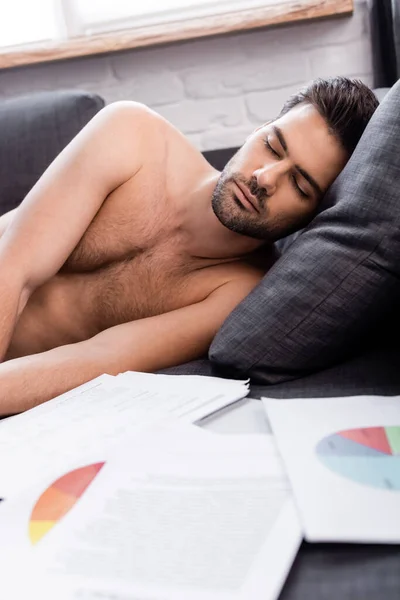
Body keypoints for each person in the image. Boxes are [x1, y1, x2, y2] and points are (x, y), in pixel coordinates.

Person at [0, 76, 378, 413]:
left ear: (313, 215)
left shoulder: (237, 292)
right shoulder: (134, 135)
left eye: (299, 185)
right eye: (273, 146)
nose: (265, 178)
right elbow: (14, 269)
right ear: (257, 130)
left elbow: (96, 360)